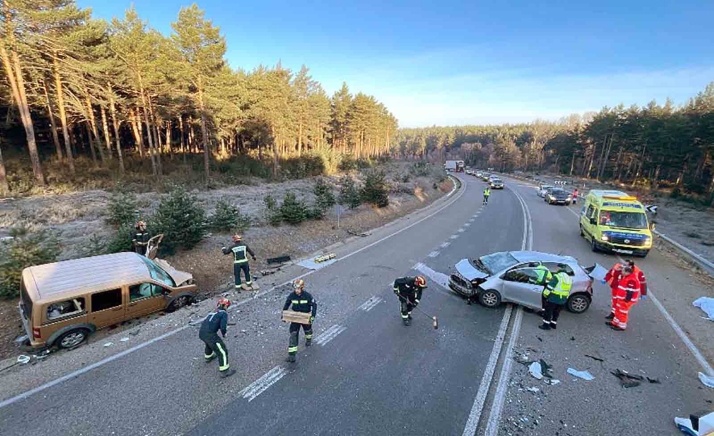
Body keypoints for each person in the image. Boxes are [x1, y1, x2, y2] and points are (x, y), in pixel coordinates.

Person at [199, 298, 236, 378]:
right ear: (226, 306)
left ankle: (208, 357)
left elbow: (209, 322)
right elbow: (223, 327)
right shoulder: (223, 314)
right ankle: (225, 371)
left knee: (209, 344)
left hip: (202, 333)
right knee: (222, 351)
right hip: (210, 335)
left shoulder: (211, 313)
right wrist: (224, 333)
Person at [283, 279, 317, 363]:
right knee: (293, 334)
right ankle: (292, 355)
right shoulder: (292, 295)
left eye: (298, 289)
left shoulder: (307, 296)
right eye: (295, 289)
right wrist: (284, 315)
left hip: (305, 317)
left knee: (308, 330)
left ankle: (308, 339)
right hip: (296, 317)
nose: (296, 291)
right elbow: (287, 304)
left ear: (302, 288)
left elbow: (314, 305)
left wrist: (312, 316)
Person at [606, 266, 641, 331]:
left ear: (627, 272)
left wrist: (626, 300)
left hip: (626, 300)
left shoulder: (631, 280)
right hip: (622, 299)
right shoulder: (628, 277)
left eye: (622, 271)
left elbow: (630, 292)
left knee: (622, 312)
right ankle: (615, 323)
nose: (621, 272)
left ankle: (621, 326)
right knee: (617, 310)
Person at [539, 264, 572, 330]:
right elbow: (568, 289)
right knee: (556, 312)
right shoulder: (569, 278)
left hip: (553, 298)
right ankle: (553, 324)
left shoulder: (557, 276)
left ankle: (546, 325)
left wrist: (545, 294)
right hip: (563, 299)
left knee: (548, 312)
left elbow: (550, 287)